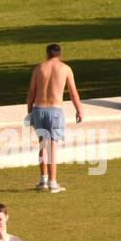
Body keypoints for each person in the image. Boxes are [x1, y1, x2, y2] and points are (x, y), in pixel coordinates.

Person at [26, 43, 83, 193]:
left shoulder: (39, 68)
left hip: (38, 109)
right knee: (52, 147)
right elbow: (73, 92)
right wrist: (78, 110)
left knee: (42, 145)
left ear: (47, 54)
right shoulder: (65, 69)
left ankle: (43, 179)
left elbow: (31, 92)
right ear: (59, 55)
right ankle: (53, 183)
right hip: (55, 111)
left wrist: (29, 112)